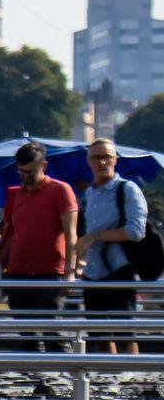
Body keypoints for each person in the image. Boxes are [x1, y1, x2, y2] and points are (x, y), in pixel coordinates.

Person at [0, 141, 78, 353]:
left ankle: (64, 377)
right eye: (21, 171)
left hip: (49, 272)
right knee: (26, 333)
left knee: (54, 332)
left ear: (44, 165)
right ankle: (36, 380)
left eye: (30, 171)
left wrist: (70, 272)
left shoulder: (60, 190)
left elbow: (71, 234)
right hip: (18, 271)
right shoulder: (15, 194)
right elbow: (9, 234)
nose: (25, 176)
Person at [74, 138, 148, 356]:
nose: (102, 162)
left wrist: (96, 236)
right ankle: (108, 382)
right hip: (92, 272)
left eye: (107, 156)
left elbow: (136, 232)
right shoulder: (88, 194)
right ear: (89, 161)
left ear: (115, 160)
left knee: (125, 333)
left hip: (119, 269)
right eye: (97, 157)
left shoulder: (127, 189)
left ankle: (132, 379)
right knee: (99, 334)